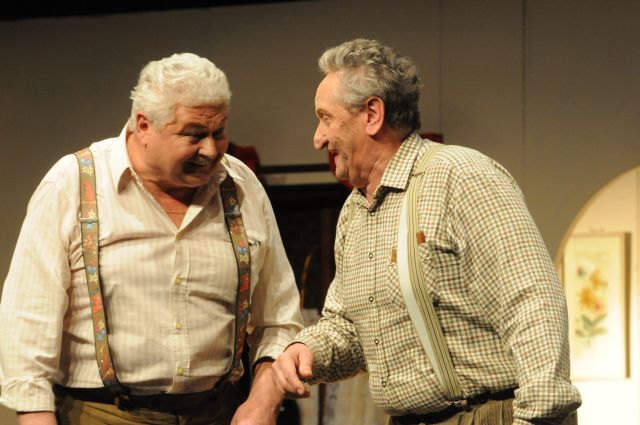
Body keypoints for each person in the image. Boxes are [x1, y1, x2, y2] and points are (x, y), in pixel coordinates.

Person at [271, 39, 582, 425]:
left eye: (326, 118)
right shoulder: (355, 211)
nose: (318, 138)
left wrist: (540, 415)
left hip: (490, 415)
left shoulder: (460, 176)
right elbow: (350, 328)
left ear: (372, 114)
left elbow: (531, 300)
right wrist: (307, 350)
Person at [0, 52, 303, 425]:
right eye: (194, 134)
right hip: (102, 414)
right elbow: (28, 321)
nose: (211, 150)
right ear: (144, 125)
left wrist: (264, 399)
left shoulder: (240, 186)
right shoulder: (73, 184)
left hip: (217, 412)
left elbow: (278, 316)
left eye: (219, 132)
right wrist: (35, 416)